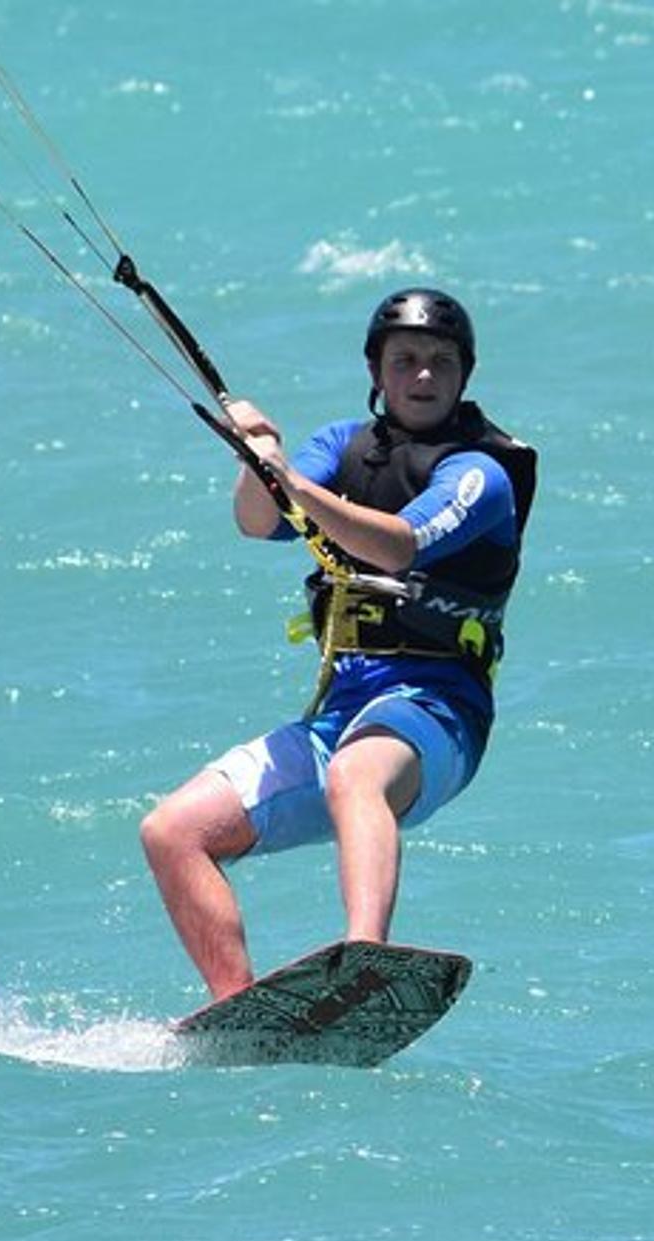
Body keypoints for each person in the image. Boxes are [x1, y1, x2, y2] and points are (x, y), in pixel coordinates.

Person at [139, 288, 538, 999]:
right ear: (377, 371)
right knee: (172, 831)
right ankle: (238, 1006)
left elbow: (398, 546)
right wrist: (257, 458)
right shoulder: (341, 447)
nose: (422, 376)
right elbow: (257, 521)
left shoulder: (482, 472)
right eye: (405, 360)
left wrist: (287, 478)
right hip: (341, 709)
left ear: (464, 376)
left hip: (436, 707)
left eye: (440, 362)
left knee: (356, 775)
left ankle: (366, 959)